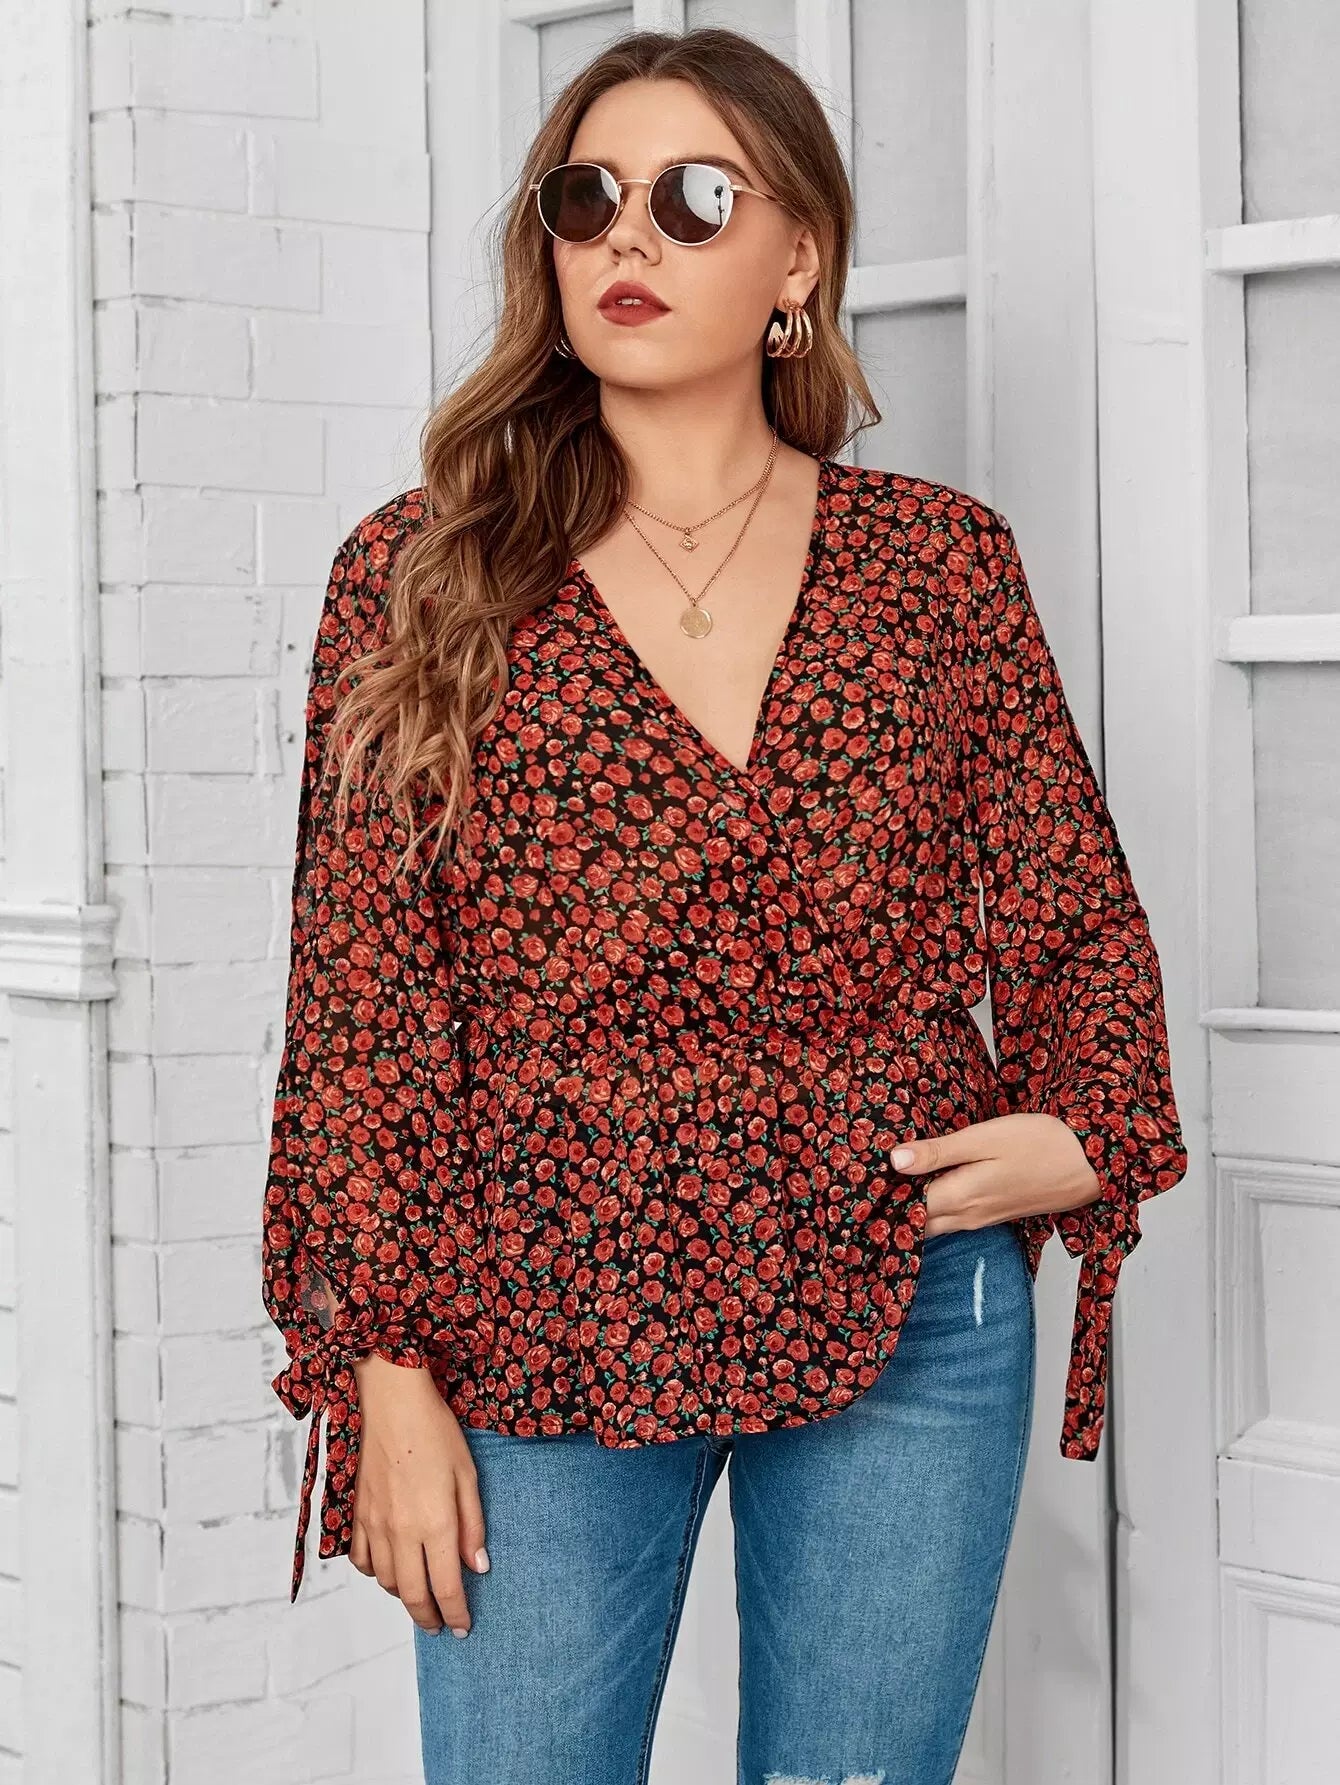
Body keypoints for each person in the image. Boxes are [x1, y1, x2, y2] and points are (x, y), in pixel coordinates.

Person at [260, 25, 1188, 1785]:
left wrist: (1088, 1122)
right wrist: (380, 1364)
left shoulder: (938, 566)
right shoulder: (420, 568)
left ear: (799, 258)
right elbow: (363, 996)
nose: (629, 236)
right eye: (586, 198)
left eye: (695, 198)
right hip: (530, 1301)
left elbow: (1068, 894)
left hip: (901, 1291)